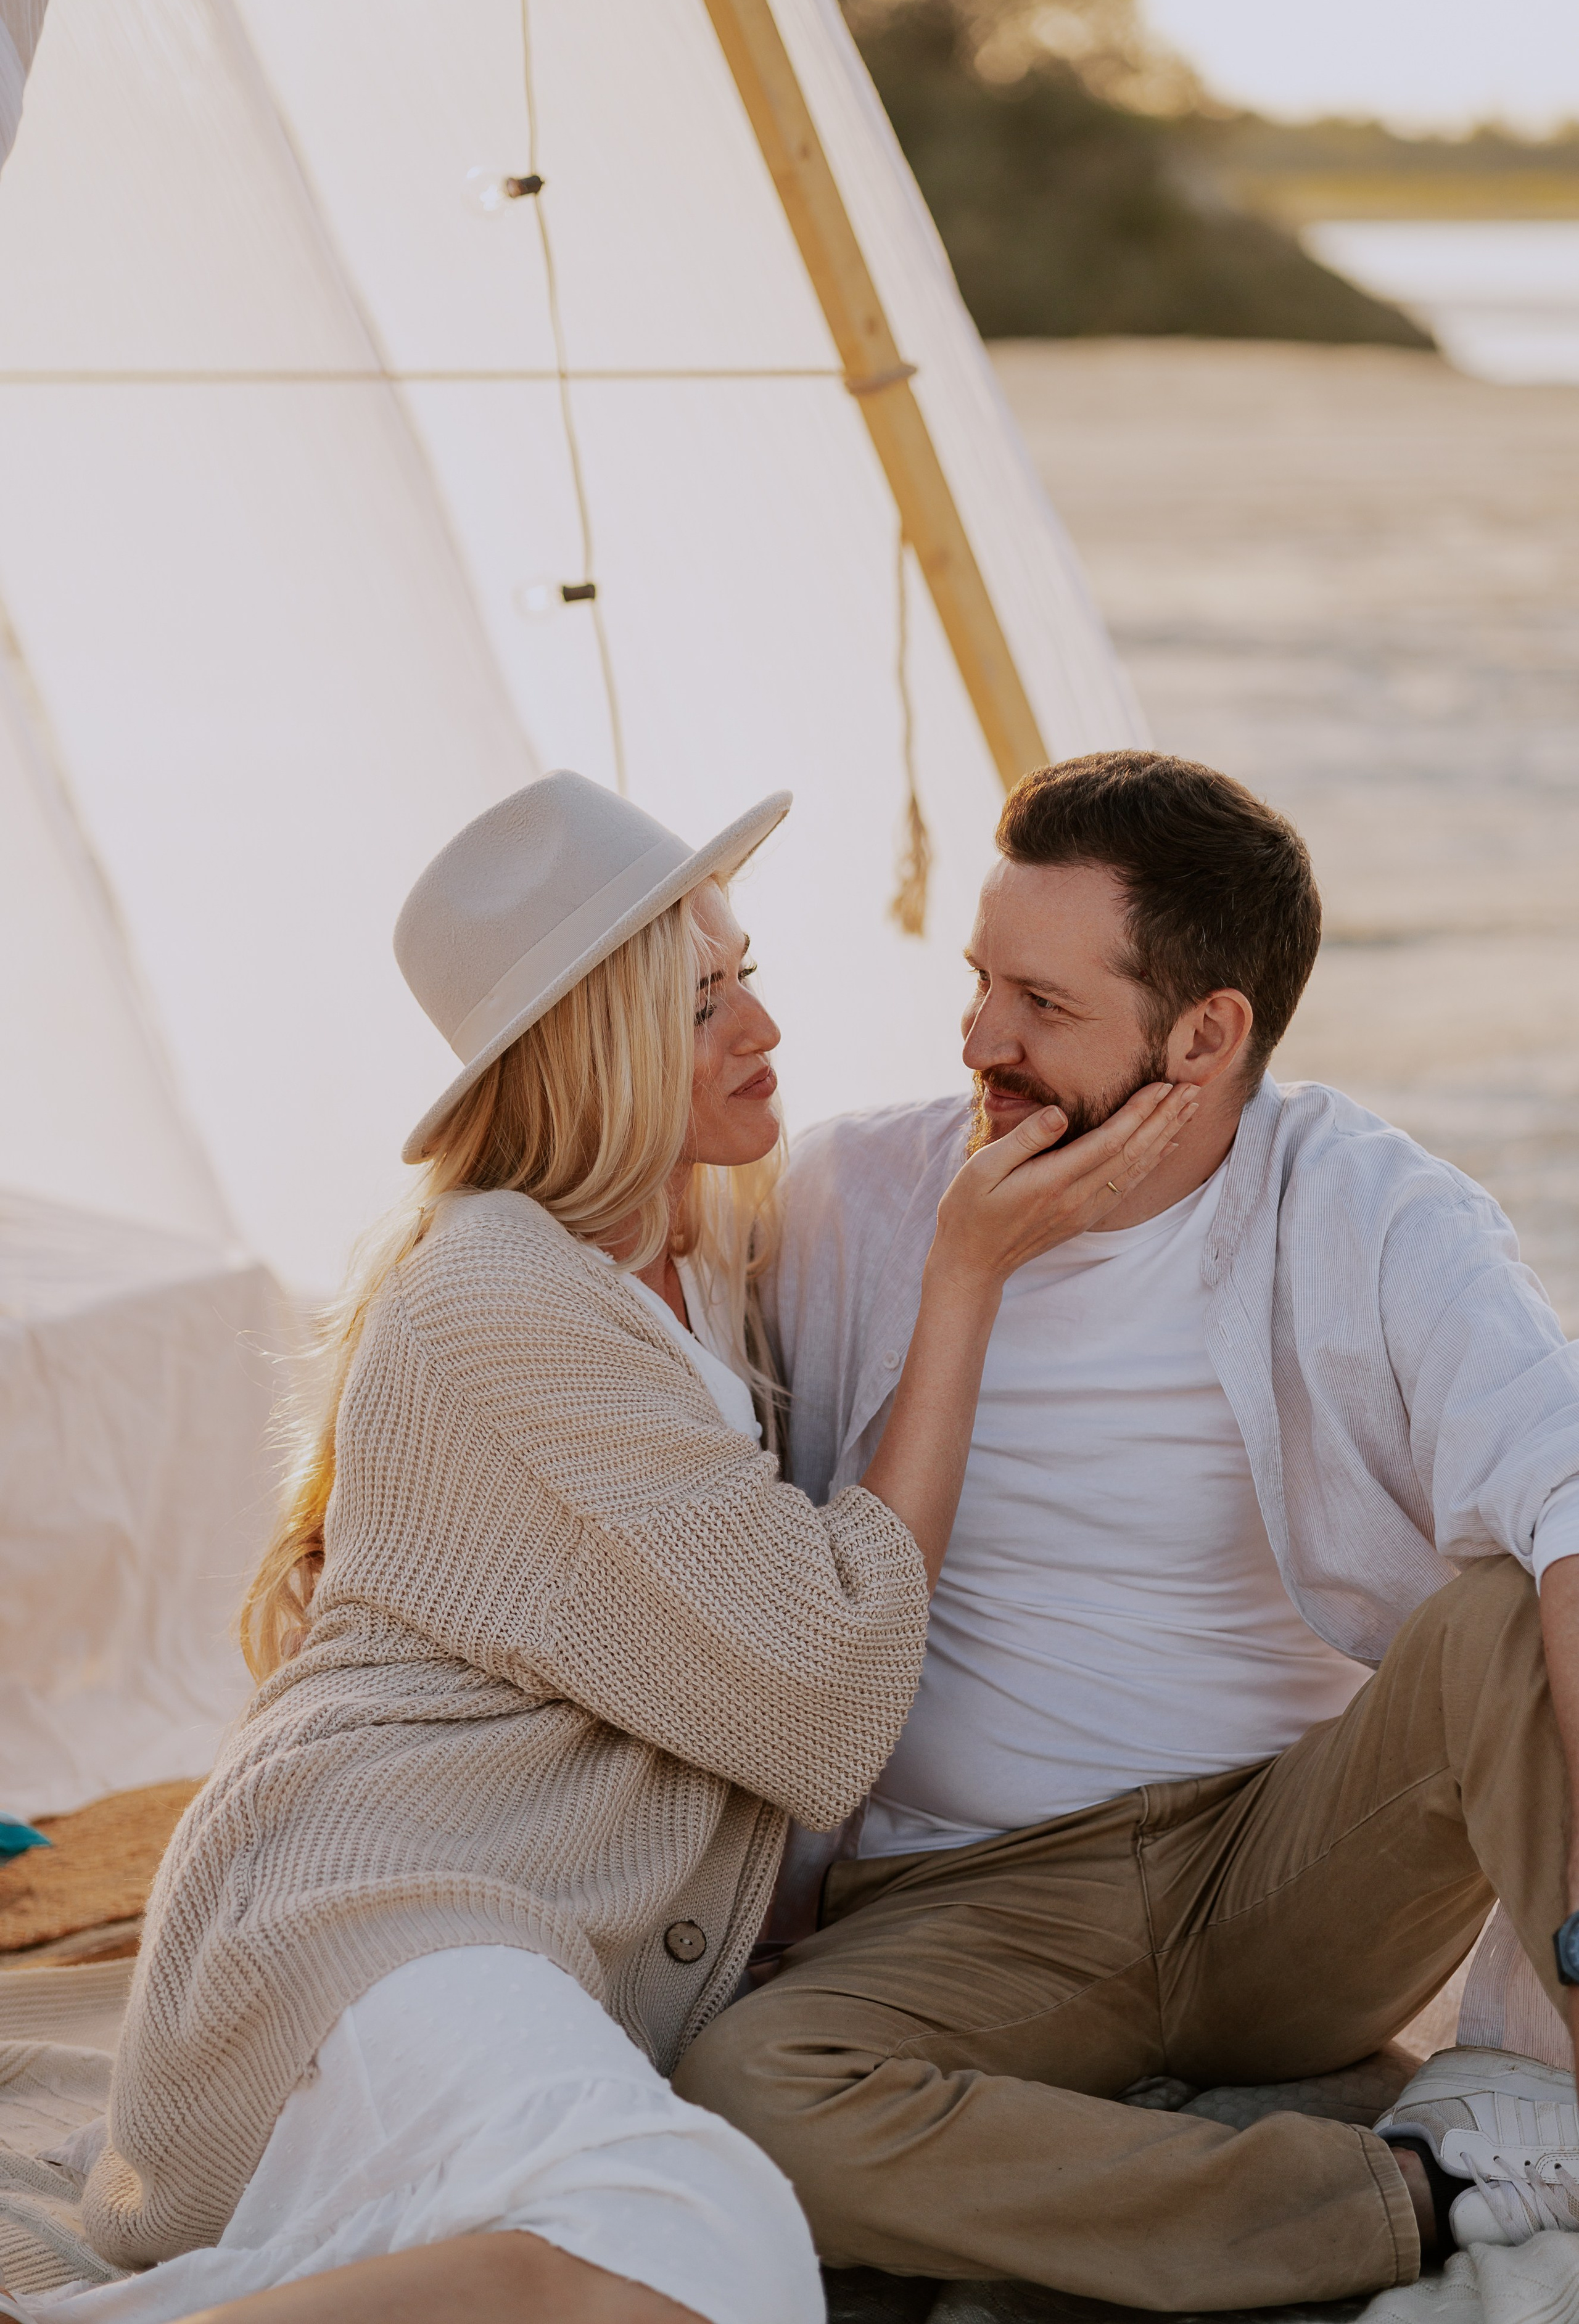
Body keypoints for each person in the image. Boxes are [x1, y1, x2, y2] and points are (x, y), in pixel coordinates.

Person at [31, 770, 1192, 2324]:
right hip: (374, 1902)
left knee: (664, 2249)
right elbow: (820, 1692)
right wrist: (965, 1276)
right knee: (697, 2237)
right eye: (699, 1001)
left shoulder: (710, 1269)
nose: (761, 1029)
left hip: (512, 1931)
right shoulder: (499, 1296)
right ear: (593, 1051)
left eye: (747, 974)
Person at [675, 749, 1579, 2310]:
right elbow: (657, 1432)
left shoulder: (1360, 1210)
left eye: (1039, 1003)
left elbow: (1563, 1487)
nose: (978, 1038)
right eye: (975, 981)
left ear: (1205, 1034)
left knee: (1511, 1607)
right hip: (968, 1902)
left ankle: (1525, 2095)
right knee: (747, 2095)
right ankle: (1399, 2201)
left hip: (1285, 1863)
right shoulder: (849, 1199)